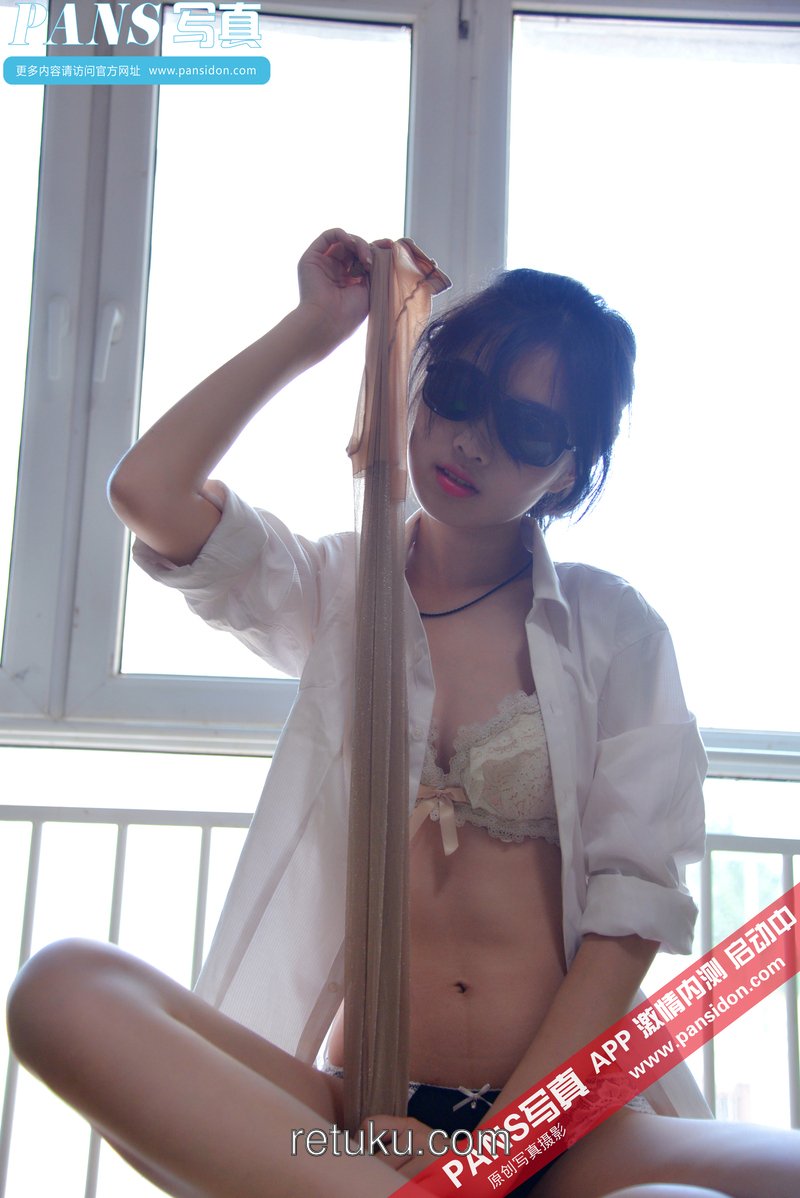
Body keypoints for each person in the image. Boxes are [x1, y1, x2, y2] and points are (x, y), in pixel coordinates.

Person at [6, 230, 799, 1198]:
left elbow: (628, 916)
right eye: (455, 393)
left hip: (561, 1128)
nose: (469, 441)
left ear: (565, 470)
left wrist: (492, 1156)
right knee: (63, 989)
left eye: (524, 430)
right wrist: (314, 328)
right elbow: (148, 491)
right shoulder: (339, 590)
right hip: (353, 1123)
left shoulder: (612, 627)